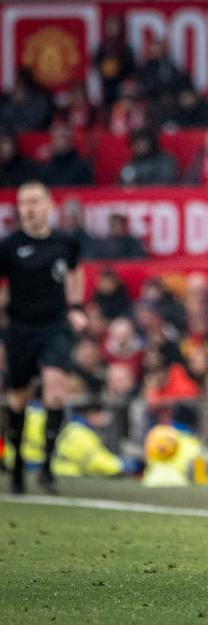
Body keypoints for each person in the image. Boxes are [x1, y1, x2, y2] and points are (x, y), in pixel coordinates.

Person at [0, 182, 86, 494]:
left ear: (50, 204)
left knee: (55, 390)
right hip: (21, 327)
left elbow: (76, 271)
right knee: (18, 398)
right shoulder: (9, 246)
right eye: (23, 202)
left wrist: (76, 305)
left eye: (35, 201)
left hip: (54, 325)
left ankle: (48, 467)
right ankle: (20, 464)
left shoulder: (65, 242)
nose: (29, 208)